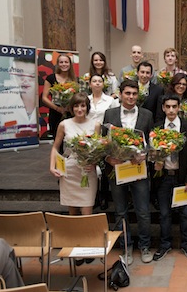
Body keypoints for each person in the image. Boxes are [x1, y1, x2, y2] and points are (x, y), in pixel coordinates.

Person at [103, 80, 153, 265]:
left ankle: (145, 246)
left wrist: (144, 155)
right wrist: (108, 159)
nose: (131, 97)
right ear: (121, 94)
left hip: (138, 169)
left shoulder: (147, 115)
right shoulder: (110, 113)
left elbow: (152, 141)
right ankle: (126, 247)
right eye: (127, 93)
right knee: (121, 211)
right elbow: (103, 141)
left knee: (143, 211)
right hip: (117, 170)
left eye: (134, 93)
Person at [151, 95, 187, 261]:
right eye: (168, 107)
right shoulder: (157, 127)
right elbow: (152, 152)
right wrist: (155, 162)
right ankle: (165, 245)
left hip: (181, 177)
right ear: (163, 108)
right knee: (164, 214)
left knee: (185, 214)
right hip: (163, 177)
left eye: (174, 106)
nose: (171, 110)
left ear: (179, 108)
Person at [49, 92, 100, 215]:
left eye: (83, 106)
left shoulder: (96, 124)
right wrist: (52, 167)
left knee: (87, 210)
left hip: (87, 171)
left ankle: (86, 235)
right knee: (72, 212)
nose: (79, 109)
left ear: (87, 107)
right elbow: (55, 147)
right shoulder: (64, 124)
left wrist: (94, 163)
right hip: (70, 170)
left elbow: (98, 149)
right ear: (72, 108)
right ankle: (74, 234)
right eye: (76, 106)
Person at [87, 74, 119, 210]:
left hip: (105, 136)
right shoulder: (85, 100)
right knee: (90, 167)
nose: (97, 83)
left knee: (105, 166)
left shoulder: (109, 100)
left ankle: (104, 197)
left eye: (100, 81)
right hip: (87, 136)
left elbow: (115, 117)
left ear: (103, 84)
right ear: (90, 84)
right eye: (94, 81)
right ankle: (92, 197)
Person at [0, 56, 38, 140]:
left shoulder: (47, 100)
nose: (25, 80)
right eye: (19, 74)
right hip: (9, 150)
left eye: (31, 76)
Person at [42, 54, 77, 141]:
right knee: (58, 141)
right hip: (55, 114)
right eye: (61, 62)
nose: (64, 64)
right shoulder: (51, 78)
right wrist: (58, 109)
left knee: (71, 139)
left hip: (71, 113)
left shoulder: (74, 79)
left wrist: (70, 107)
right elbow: (44, 98)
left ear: (70, 64)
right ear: (57, 64)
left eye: (66, 62)